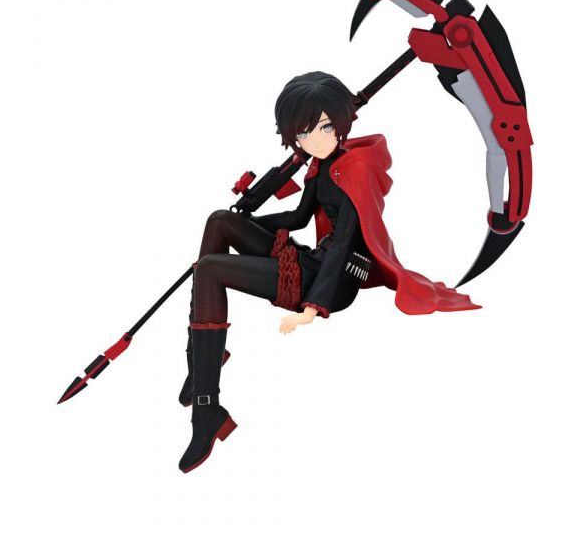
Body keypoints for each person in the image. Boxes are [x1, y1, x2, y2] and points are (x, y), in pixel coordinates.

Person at [178, 71, 479, 473]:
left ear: (340, 122)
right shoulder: (322, 164)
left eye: (322, 128)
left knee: (209, 270)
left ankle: (206, 408)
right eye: (303, 134)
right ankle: (201, 361)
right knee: (219, 220)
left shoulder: (356, 169)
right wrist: (247, 219)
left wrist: (312, 308)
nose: (313, 141)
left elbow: (342, 246)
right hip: (313, 261)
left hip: (332, 282)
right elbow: (299, 218)